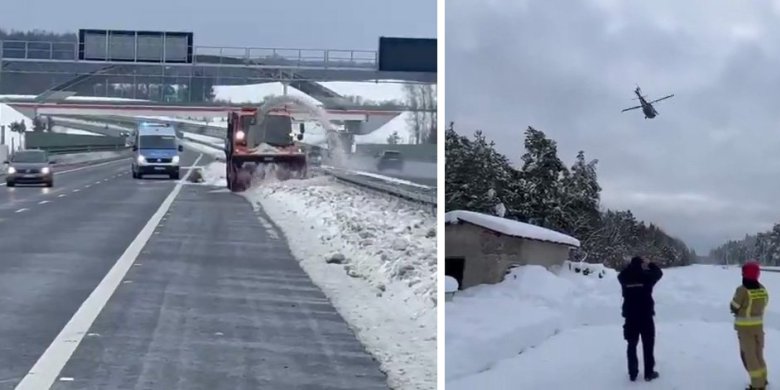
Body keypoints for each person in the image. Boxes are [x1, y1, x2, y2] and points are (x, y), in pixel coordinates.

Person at [617, 256, 663, 382]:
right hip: (646, 316)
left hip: (630, 317)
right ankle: (648, 373)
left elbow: (621, 274)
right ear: (642, 264)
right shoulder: (647, 276)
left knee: (631, 344)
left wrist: (629, 266)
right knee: (648, 345)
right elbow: (659, 273)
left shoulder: (624, 277)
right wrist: (650, 264)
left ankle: (633, 373)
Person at [731, 261, 769, 390]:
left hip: (745, 330)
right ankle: (763, 380)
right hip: (759, 329)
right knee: (759, 355)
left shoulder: (742, 290)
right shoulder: (762, 289)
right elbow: (765, 303)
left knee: (750, 357)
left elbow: (734, 306)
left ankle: (757, 386)